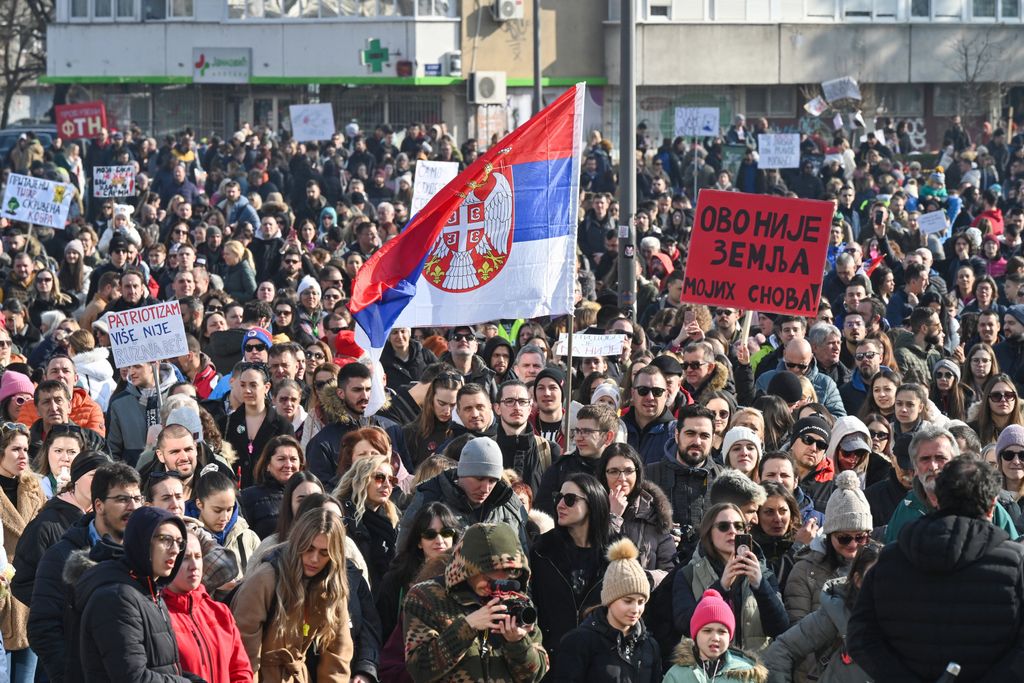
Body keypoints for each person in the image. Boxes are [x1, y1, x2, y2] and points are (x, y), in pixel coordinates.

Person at [849, 457, 1024, 680]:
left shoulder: (890, 559)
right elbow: (861, 636)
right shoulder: (1016, 563)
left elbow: (861, 637)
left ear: (935, 499)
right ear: (993, 505)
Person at [27, 462, 141, 683]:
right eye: (122, 499)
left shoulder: (144, 554)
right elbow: (43, 628)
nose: (133, 507)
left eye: (137, 499)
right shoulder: (61, 556)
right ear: (98, 505)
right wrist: (71, 676)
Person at [402, 522, 547, 682]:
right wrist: (467, 627)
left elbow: (535, 675)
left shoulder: (517, 603)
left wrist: (518, 643)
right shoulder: (426, 597)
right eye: (488, 573)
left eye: (507, 572)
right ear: (467, 568)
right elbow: (420, 670)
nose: (497, 582)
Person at [231, 508, 353, 682]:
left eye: (324, 553)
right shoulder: (265, 579)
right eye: (309, 549)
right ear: (298, 544)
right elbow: (244, 654)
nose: (314, 559)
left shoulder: (331, 586)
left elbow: (338, 655)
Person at [76, 506, 192, 682]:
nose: (175, 550)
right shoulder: (116, 597)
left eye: (179, 542)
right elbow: (133, 677)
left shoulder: (150, 591)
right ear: (142, 541)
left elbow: (164, 667)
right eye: (165, 539)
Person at [672, 503, 789, 653]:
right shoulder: (688, 573)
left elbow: (780, 628)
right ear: (709, 532)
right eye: (723, 526)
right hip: (706, 670)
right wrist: (720, 587)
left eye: (739, 526)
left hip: (753, 670)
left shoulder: (765, 574)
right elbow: (685, 625)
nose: (732, 531)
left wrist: (760, 585)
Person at [763, 542, 880, 682]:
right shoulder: (837, 611)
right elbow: (781, 650)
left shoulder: (908, 619)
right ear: (858, 581)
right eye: (875, 577)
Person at [549, 538, 662, 682]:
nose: (635, 609)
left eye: (641, 602)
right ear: (610, 599)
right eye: (627, 601)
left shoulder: (650, 646)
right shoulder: (578, 643)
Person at [530, 473, 612, 667]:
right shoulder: (542, 550)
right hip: (551, 661)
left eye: (569, 499)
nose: (560, 505)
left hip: (598, 662)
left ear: (592, 504)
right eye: (558, 497)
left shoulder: (616, 554)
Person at [885, 425, 1019, 542]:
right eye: (925, 459)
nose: (933, 466)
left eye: (940, 458)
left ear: (956, 461)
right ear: (915, 466)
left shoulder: (983, 502)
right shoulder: (907, 507)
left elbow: (1013, 554)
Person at [11, 451, 107, 607]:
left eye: (106, 478)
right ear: (76, 479)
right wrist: (63, 609)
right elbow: (22, 582)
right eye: (93, 476)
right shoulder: (46, 523)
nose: (100, 483)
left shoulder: (108, 521)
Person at [398, 436, 529, 549]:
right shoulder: (429, 498)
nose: (486, 488)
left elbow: (524, 559)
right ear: (462, 473)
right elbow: (404, 557)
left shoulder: (509, 506)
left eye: (492, 480)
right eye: (479, 478)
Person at [784, 470, 873, 624]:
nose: (853, 544)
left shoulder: (880, 565)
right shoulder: (804, 570)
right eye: (844, 538)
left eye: (860, 537)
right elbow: (797, 628)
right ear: (829, 534)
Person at [164, 532, 254, 683]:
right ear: (168, 561)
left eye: (198, 556)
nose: (194, 566)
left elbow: (240, 669)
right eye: (185, 558)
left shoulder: (220, 612)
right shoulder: (158, 615)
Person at [374, 501, 460, 645]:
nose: (440, 541)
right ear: (419, 542)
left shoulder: (466, 579)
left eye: (446, 533)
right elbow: (384, 632)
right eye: (430, 534)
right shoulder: (396, 581)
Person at [0, 423, 46, 681]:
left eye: (26, 449)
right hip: (2, 596)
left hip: (30, 595)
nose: (23, 456)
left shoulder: (32, 487)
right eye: (15, 449)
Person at [595, 443, 675, 588]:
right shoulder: (591, 509)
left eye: (628, 470)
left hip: (645, 603)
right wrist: (613, 516)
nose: (622, 478)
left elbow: (670, 570)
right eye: (613, 471)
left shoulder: (655, 512)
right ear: (603, 475)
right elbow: (592, 560)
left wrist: (644, 578)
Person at [645, 404, 725, 535]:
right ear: (677, 435)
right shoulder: (650, 475)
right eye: (690, 433)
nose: (697, 441)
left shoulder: (723, 480)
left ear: (712, 440)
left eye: (704, 436)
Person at [662, 588, 769, 683]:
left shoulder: (746, 675)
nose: (715, 638)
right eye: (707, 631)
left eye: (722, 632)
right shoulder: (676, 675)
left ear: (729, 636)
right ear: (695, 635)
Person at [223, 362, 294, 488]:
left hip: (271, 495)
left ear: (266, 387)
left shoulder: (283, 426)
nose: (247, 390)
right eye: (243, 385)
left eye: (253, 385)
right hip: (236, 496)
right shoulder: (227, 422)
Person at [189, 469, 259, 594]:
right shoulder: (189, 538)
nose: (224, 517)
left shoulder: (248, 536)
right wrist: (212, 586)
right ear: (199, 504)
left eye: (229, 509)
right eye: (217, 510)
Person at [335, 454, 399, 588]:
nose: (387, 484)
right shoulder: (342, 515)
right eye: (379, 477)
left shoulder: (392, 520)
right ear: (361, 480)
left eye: (392, 480)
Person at [238, 434, 304, 539]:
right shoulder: (247, 498)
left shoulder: (309, 493)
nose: (288, 465)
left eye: (293, 459)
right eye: (281, 459)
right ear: (268, 465)